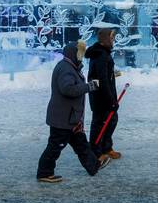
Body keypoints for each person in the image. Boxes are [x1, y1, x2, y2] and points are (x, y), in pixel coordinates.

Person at [37, 41, 110, 183]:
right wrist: (89, 86)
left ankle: (93, 166)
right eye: (80, 53)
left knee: (81, 143)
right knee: (55, 146)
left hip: (71, 117)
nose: (82, 57)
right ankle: (44, 173)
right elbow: (68, 89)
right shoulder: (66, 69)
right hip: (63, 118)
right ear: (74, 54)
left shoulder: (71, 67)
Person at [86, 27, 122, 161]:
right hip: (101, 97)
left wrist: (112, 73)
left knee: (111, 120)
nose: (113, 40)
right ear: (106, 39)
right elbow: (102, 80)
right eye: (111, 37)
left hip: (102, 95)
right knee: (100, 123)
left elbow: (103, 75)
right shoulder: (101, 55)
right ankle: (96, 151)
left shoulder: (103, 53)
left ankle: (106, 147)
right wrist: (111, 100)